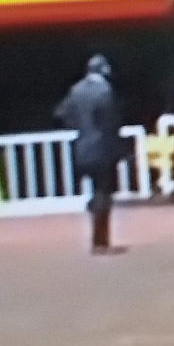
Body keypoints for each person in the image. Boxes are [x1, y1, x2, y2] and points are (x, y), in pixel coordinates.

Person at [55, 55, 126, 256]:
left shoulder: (76, 90)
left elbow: (62, 113)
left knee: (97, 192)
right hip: (102, 148)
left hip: (82, 147)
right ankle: (101, 240)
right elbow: (111, 122)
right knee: (104, 193)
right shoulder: (105, 91)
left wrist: (79, 127)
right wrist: (119, 148)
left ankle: (97, 233)